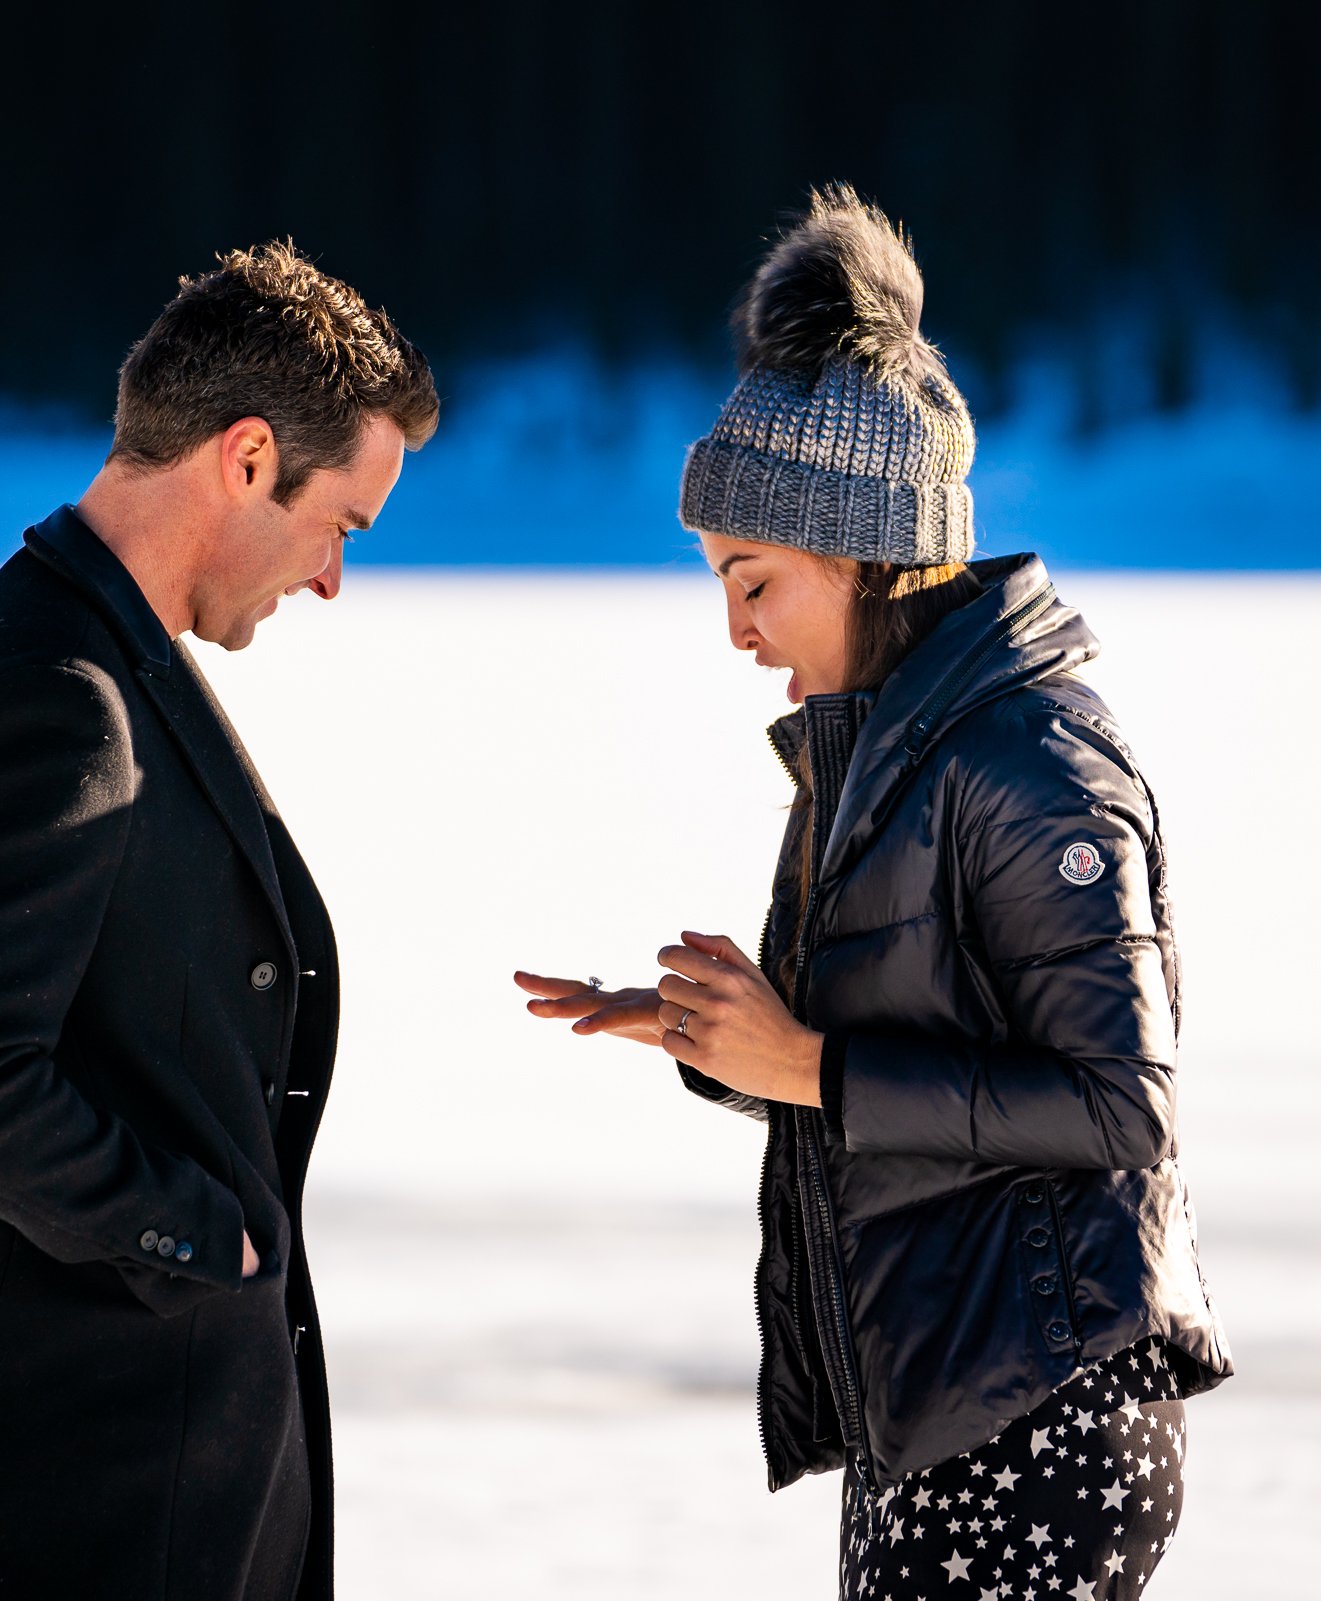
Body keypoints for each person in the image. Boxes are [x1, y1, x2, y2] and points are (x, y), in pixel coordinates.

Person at [515, 187, 1230, 1599]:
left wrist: (813, 1063)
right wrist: (721, 1037)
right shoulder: (877, 755)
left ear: (861, 547)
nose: (736, 629)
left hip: (1045, 1415)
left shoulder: (1034, 763)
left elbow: (1122, 1102)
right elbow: (853, 1047)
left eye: (752, 579)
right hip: (940, 1401)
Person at [0, 242, 437, 1601]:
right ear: (250, 456)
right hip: (60, 1481)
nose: (333, 579)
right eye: (344, 525)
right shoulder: (59, 695)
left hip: (120, 1472)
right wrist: (196, 1236)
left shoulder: (98, 657)